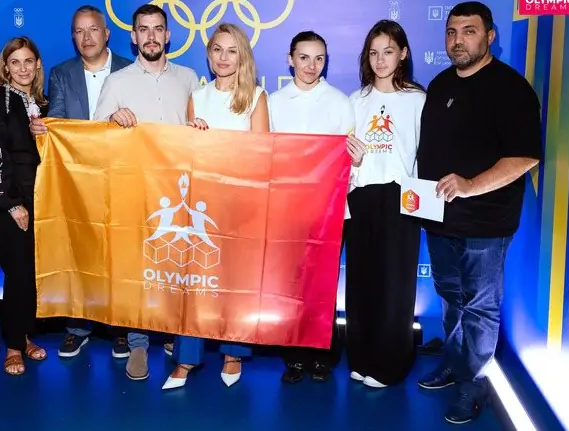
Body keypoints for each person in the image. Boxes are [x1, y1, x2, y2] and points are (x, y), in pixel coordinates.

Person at [416, 1, 542, 424]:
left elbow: (524, 157)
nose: (458, 39)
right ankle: (456, 363)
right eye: (452, 31)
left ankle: (476, 384)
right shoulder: (438, 84)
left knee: (481, 307)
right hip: (440, 220)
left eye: (469, 31)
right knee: (451, 298)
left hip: (486, 224)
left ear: (490, 36)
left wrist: (470, 186)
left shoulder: (510, 88)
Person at [92, 4, 200, 381]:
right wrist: (110, 120)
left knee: (174, 264)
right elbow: (93, 137)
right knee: (137, 268)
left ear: (168, 35)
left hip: (177, 189)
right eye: (144, 29)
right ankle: (138, 344)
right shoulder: (117, 82)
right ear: (133, 37)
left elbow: (201, 132)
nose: (151, 36)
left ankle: (172, 333)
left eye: (158, 29)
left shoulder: (189, 78)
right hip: (132, 190)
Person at [162, 23, 269, 390]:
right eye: (217, 50)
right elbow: (184, 153)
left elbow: (261, 155)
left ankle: (233, 351)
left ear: (242, 56)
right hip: (200, 201)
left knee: (234, 282)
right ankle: (186, 358)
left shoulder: (255, 97)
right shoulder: (198, 95)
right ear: (208, 55)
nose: (223, 58)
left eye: (231, 51)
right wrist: (194, 138)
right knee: (195, 282)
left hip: (239, 201)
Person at [29, 5, 132, 360]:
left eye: (93, 30)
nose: (86, 37)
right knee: (79, 248)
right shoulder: (61, 73)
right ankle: (78, 327)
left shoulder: (129, 70)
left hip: (122, 176)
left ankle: (120, 327)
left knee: (120, 253)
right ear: (73, 37)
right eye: (78, 31)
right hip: (77, 178)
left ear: (106, 34)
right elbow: (56, 120)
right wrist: (43, 128)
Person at [267, 31, 366, 384]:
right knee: (291, 286)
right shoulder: (273, 102)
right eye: (304, 57)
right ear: (290, 58)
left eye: (319, 58)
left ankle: (323, 355)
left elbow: (349, 163)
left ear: (326, 61)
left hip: (330, 211)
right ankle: (293, 356)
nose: (311, 65)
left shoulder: (340, 102)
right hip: (287, 210)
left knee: (323, 285)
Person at [344, 19, 425, 389]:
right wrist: (354, 164)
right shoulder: (355, 101)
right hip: (361, 196)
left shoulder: (418, 100)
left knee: (396, 282)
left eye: (388, 51)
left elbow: (426, 156)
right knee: (361, 281)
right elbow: (342, 157)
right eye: (373, 53)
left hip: (401, 196)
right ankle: (361, 357)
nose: (380, 60)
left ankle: (390, 363)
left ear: (403, 54)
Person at [0, 36, 49, 376]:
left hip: (37, 200)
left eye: (28, 61)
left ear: (36, 66)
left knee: (30, 274)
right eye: (15, 62)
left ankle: (25, 334)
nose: (22, 68)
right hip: (9, 205)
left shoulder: (36, 102)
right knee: (17, 274)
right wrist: (10, 205)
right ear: (5, 67)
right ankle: (13, 347)